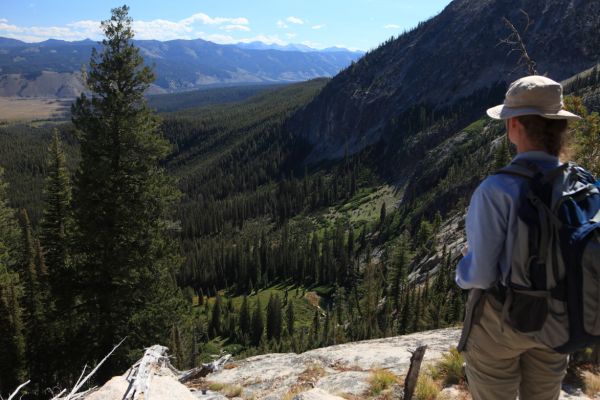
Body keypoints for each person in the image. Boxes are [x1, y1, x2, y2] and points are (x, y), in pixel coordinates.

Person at [455, 75, 581, 400]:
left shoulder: (497, 189)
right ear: (560, 127)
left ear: (514, 127)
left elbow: (480, 275)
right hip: (562, 319)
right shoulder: (581, 186)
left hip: (503, 321)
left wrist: (464, 264)